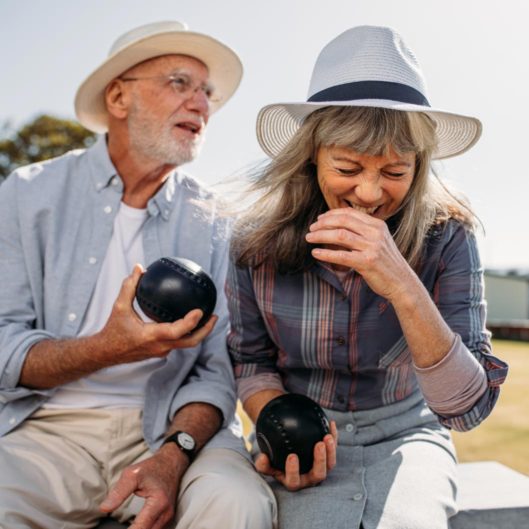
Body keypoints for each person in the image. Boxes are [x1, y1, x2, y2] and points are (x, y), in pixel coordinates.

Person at [226, 25, 508, 529]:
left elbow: (466, 410)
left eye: (396, 172)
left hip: (407, 433)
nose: (371, 193)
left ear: (419, 167)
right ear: (312, 155)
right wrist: (279, 425)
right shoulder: (255, 242)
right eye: (348, 167)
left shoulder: (450, 236)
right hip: (304, 434)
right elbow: (250, 361)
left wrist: (401, 282)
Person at [0, 21, 276, 529]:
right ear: (119, 98)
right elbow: (3, 345)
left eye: (207, 92)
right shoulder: (25, 194)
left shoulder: (218, 221)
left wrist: (174, 456)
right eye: (179, 83)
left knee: (238, 505)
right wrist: (110, 347)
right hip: (45, 428)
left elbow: (218, 369)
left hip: (175, 428)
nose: (201, 104)